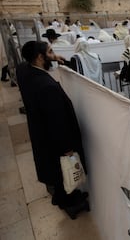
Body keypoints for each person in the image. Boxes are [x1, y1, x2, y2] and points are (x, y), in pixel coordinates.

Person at [16, 40, 89, 218]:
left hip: (41, 133)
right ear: (40, 57)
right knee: (61, 171)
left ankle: (63, 197)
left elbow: (24, 65)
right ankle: (67, 201)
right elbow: (57, 122)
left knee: (53, 169)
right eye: (50, 52)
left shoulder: (24, 71)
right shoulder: (47, 87)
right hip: (55, 139)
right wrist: (67, 148)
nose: (53, 54)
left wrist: (53, 58)